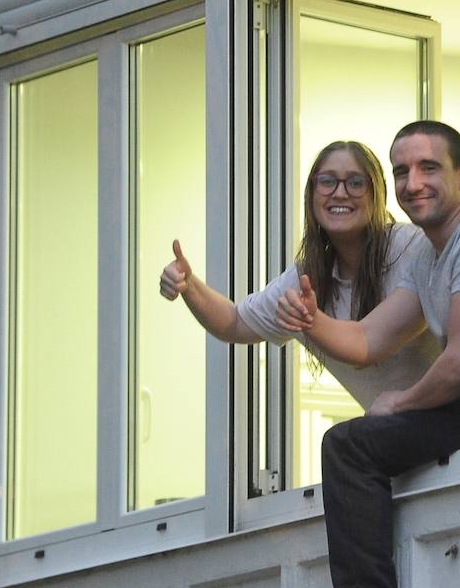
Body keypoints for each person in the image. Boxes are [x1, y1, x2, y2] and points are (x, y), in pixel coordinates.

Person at [277, 120, 460, 588]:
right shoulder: (427, 256)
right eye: (401, 172)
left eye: (428, 168)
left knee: (350, 446)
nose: (412, 182)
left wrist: (401, 402)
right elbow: (369, 342)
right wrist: (308, 316)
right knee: (354, 441)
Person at [159, 138, 440, 414]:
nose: (340, 193)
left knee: (341, 443)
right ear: (312, 194)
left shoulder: (410, 247)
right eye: (327, 181)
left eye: (355, 183)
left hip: (455, 422)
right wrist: (189, 284)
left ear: (376, 192)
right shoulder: (309, 276)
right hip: (396, 432)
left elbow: (364, 342)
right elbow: (234, 323)